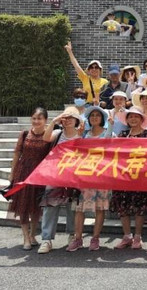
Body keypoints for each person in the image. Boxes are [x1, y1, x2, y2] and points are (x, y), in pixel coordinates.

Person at [110, 107, 147, 250]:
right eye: (130, 117)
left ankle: (137, 236)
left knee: (139, 207)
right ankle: (127, 236)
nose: (133, 119)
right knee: (122, 206)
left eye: (136, 116)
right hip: (123, 176)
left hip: (140, 176)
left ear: (141, 119)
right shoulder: (122, 135)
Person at [66, 106, 113, 252]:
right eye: (92, 115)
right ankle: (78, 238)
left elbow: (110, 147)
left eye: (97, 115)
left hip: (102, 176)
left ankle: (95, 238)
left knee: (100, 208)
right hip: (85, 175)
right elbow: (76, 151)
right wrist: (79, 136)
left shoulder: (109, 133)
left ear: (102, 118)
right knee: (80, 208)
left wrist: (111, 125)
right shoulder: (85, 134)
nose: (94, 117)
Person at [7, 108, 54, 251]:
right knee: (23, 206)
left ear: (45, 120)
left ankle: (33, 235)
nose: (36, 121)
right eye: (34, 118)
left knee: (35, 207)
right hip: (23, 173)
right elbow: (17, 154)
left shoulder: (49, 135)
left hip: (39, 175)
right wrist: (12, 173)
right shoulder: (25, 134)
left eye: (39, 118)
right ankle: (25, 237)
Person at [37, 107, 83, 254]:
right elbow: (45, 138)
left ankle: (72, 235)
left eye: (71, 118)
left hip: (73, 176)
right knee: (50, 206)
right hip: (55, 174)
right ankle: (46, 239)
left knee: (72, 207)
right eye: (65, 118)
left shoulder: (81, 136)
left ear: (76, 120)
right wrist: (54, 121)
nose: (68, 120)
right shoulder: (57, 134)